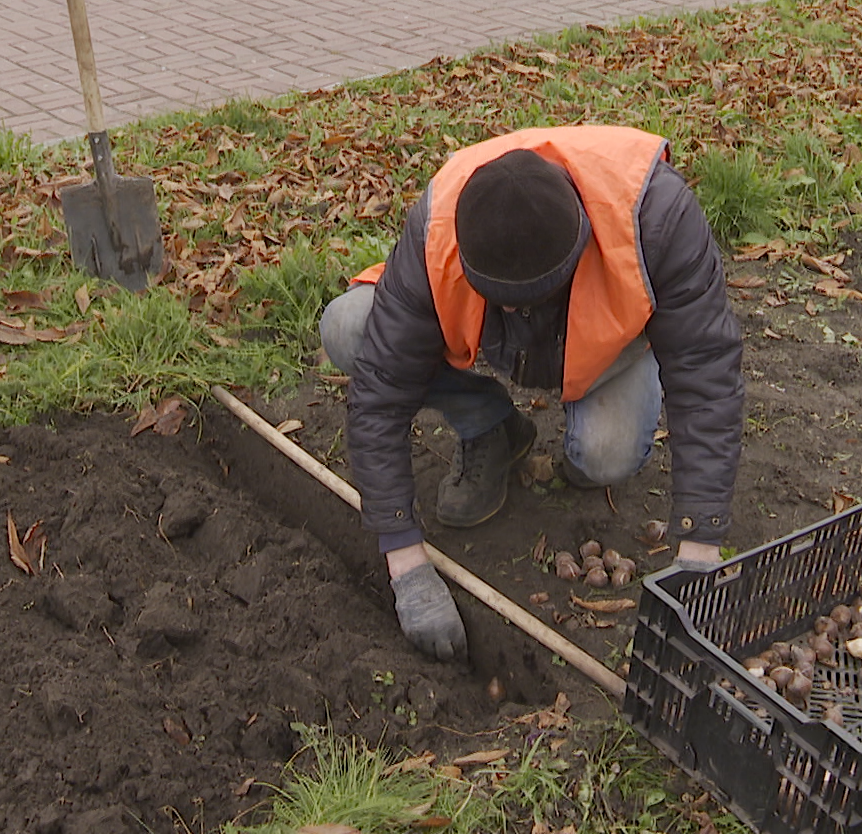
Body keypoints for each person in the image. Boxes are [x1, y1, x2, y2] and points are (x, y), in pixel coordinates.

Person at [319, 126, 744, 661]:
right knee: (349, 327)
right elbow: (379, 395)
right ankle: (489, 425)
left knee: (605, 454)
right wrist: (405, 565)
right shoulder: (438, 225)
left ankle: (589, 438)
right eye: (509, 302)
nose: (523, 312)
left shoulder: (656, 217)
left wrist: (699, 546)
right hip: (496, 345)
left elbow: (706, 372)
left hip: (607, 346)